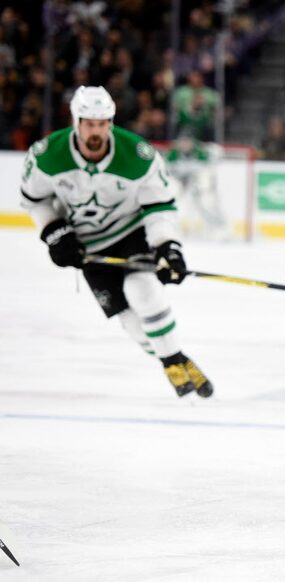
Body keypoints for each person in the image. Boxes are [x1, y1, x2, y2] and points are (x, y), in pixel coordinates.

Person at [20, 86, 214, 398]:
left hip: (130, 231)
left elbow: (159, 206)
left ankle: (173, 360)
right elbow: (34, 201)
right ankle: (175, 358)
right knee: (133, 326)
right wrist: (55, 233)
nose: (95, 131)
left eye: (101, 123)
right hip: (87, 246)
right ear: (76, 121)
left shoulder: (138, 155)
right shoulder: (47, 156)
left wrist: (167, 247)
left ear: (111, 122)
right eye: (88, 123)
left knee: (142, 289)